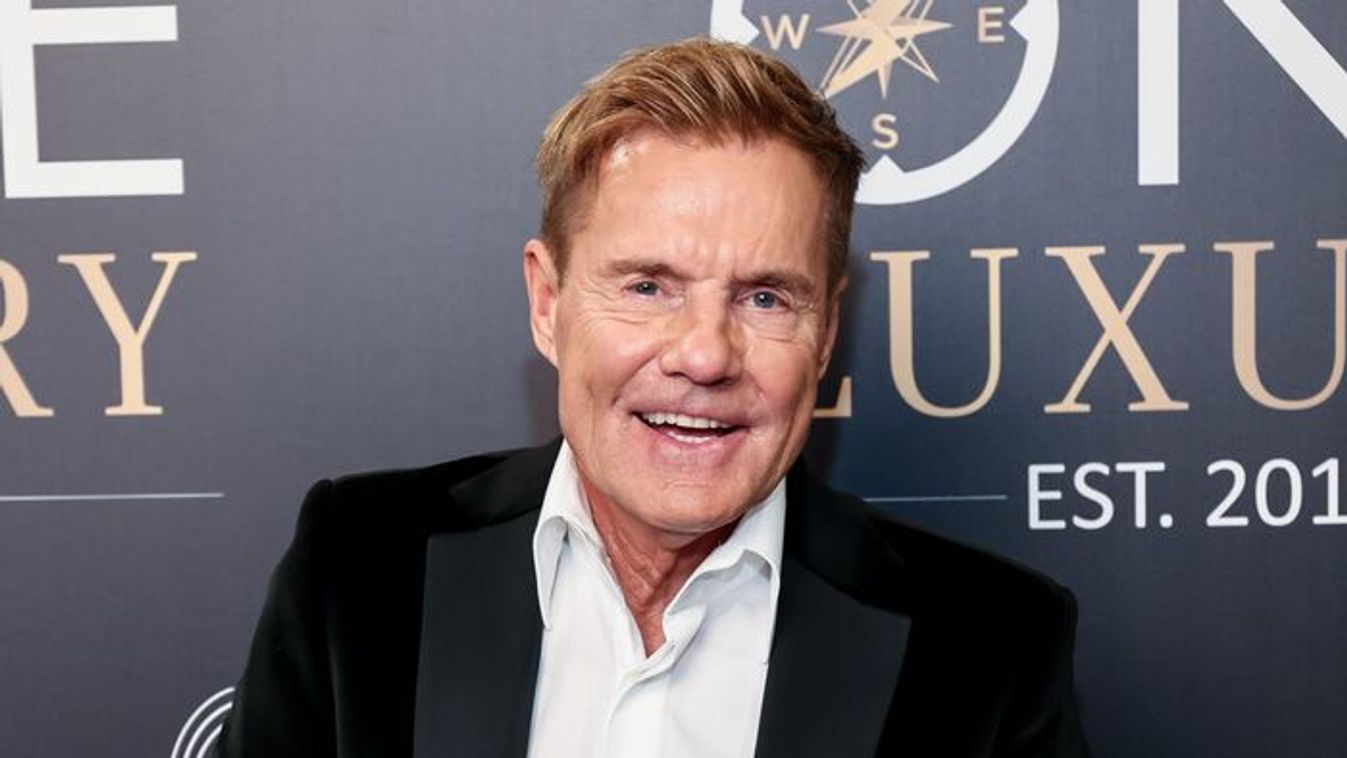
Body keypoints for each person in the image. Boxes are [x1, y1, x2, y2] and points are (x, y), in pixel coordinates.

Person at [217, 38, 1090, 758]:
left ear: (825, 332)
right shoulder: (358, 569)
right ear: (547, 303)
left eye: (765, 298)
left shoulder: (988, 648)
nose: (704, 355)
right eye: (646, 287)